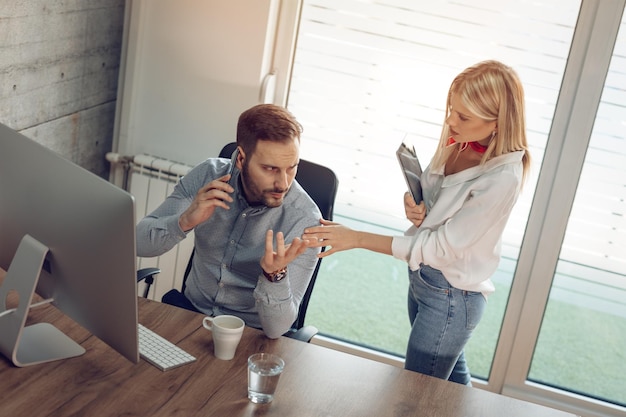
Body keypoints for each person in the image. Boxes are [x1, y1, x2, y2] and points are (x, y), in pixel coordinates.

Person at [303, 60, 531, 385]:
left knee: (416, 394)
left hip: (451, 298)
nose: (450, 120)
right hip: (424, 283)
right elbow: (436, 203)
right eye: (452, 108)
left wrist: (356, 238)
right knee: (452, 386)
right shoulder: (459, 140)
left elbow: (439, 248)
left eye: (463, 116)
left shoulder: (502, 177)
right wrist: (418, 206)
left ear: (497, 122)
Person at [136, 104, 321, 339]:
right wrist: (183, 221)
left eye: (291, 168)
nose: (283, 183)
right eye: (270, 169)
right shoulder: (208, 175)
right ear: (242, 159)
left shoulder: (305, 220)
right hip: (192, 317)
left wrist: (275, 275)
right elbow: (138, 243)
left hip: (251, 337)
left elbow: (278, 329)